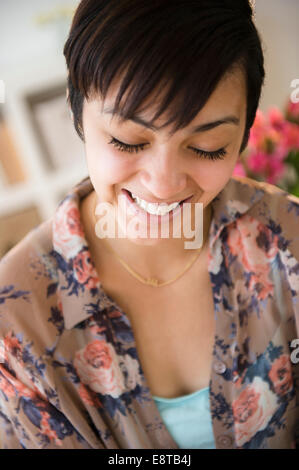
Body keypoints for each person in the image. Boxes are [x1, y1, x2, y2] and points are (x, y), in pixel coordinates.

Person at [0, 0, 299, 450]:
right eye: (127, 140)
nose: (163, 184)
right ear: (76, 108)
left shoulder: (288, 241)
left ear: (242, 132)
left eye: (207, 146)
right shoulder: (16, 319)